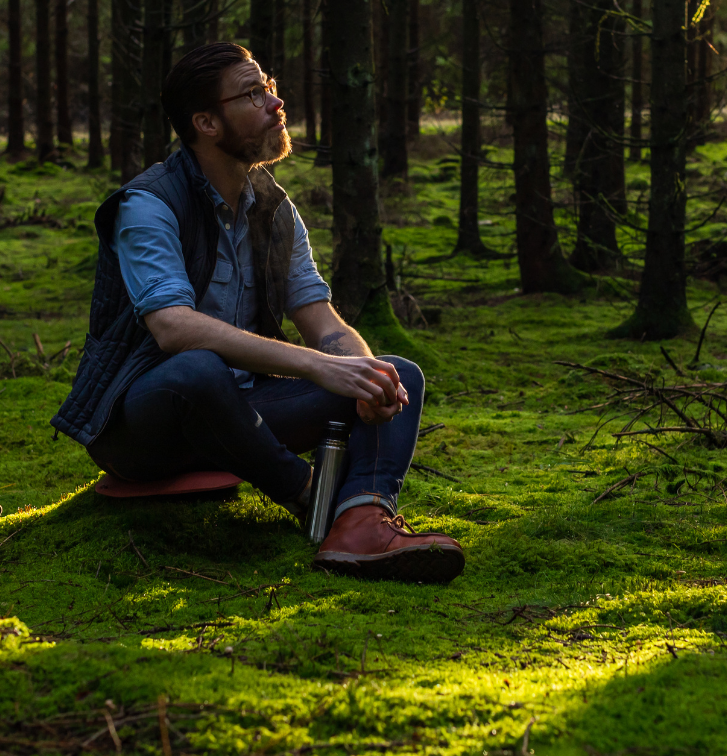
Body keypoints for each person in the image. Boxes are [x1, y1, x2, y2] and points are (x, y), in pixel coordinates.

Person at [52, 42, 464, 583]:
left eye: (268, 86)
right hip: (144, 426)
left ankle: (362, 521)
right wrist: (318, 366)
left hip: (243, 414)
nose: (275, 102)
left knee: (395, 372)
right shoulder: (148, 205)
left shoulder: (274, 209)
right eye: (252, 93)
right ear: (206, 123)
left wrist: (363, 377)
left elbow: (323, 321)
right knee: (198, 369)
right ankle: (309, 496)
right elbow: (172, 327)